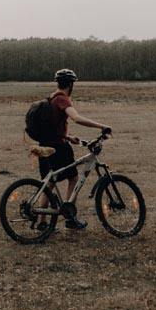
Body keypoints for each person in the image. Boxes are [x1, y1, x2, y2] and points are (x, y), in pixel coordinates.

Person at [34, 68, 111, 230]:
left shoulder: (52, 98)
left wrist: (68, 136)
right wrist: (101, 126)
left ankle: (42, 222)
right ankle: (70, 218)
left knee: (49, 183)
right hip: (58, 148)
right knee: (73, 179)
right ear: (70, 84)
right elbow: (75, 118)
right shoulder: (63, 99)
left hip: (46, 144)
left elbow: (52, 125)